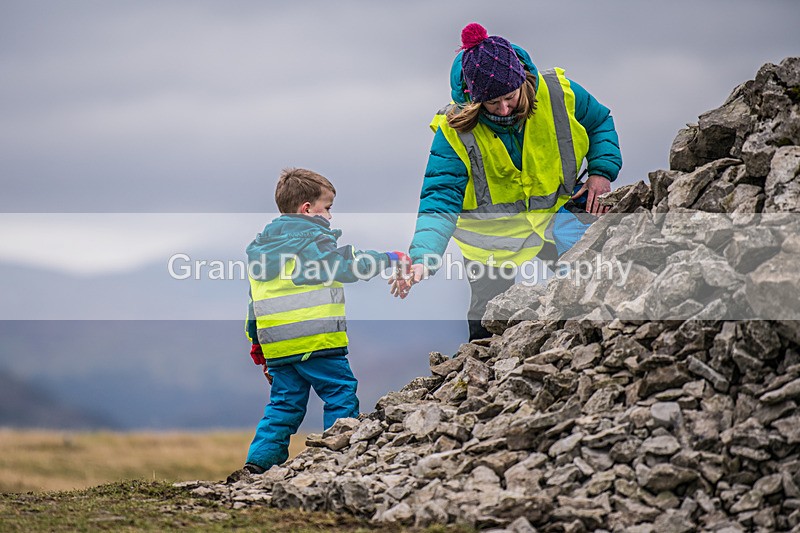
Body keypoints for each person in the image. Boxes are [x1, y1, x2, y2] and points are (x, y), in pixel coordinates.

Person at [391, 23, 622, 341]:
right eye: (491, 103)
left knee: (584, 288)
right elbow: (439, 197)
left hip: (555, 218)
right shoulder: (455, 132)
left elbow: (599, 122)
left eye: (509, 97)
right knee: (486, 326)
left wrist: (601, 172)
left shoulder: (557, 92)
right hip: (489, 244)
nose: (503, 109)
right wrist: (423, 258)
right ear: (474, 99)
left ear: (521, 81)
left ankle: (589, 341)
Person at [229, 168, 409, 481]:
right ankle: (337, 458)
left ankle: (257, 465)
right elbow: (347, 265)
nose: (330, 216)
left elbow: (254, 305)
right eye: (327, 208)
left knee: (283, 407)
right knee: (340, 392)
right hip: (318, 342)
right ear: (307, 210)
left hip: (279, 348)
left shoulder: (262, 252)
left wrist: (259, 350)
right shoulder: (310, 241)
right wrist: (389, 258)